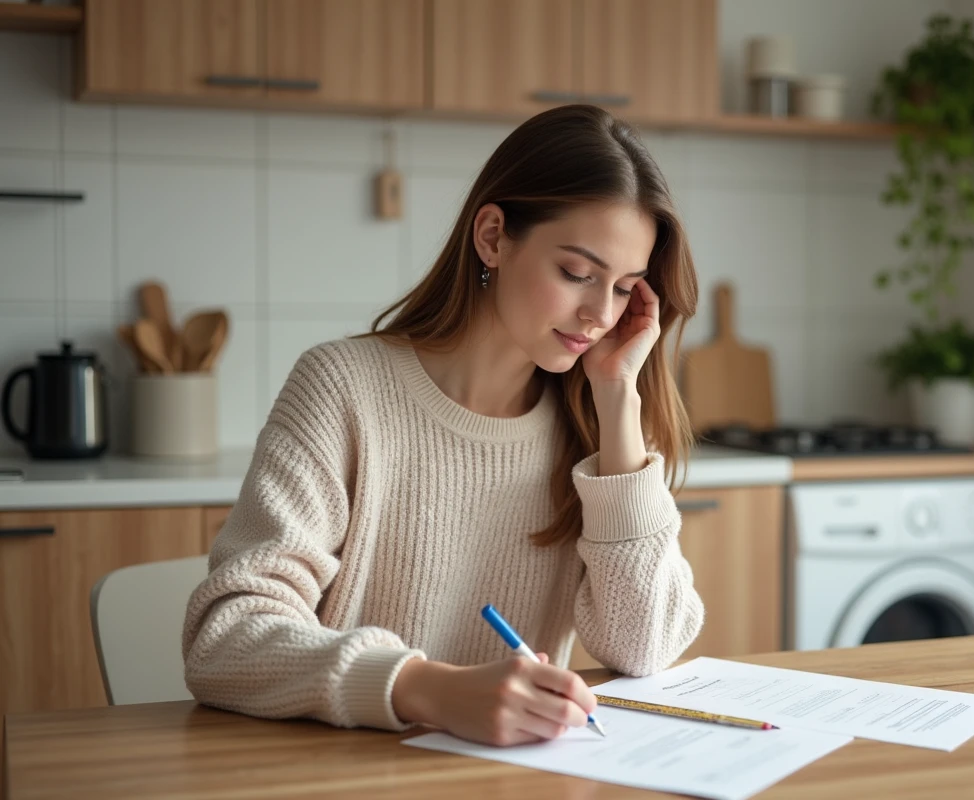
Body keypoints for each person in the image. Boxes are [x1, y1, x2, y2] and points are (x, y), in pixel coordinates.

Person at [182, 104, 704, 747]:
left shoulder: (599, 424)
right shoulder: (344, 388)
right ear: (492, 237)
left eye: (626, 288)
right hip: (340, 773)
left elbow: (644, 647)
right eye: (577, 274)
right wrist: (427, 688)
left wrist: (619, 399)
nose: (600, 313)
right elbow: (225, 638)